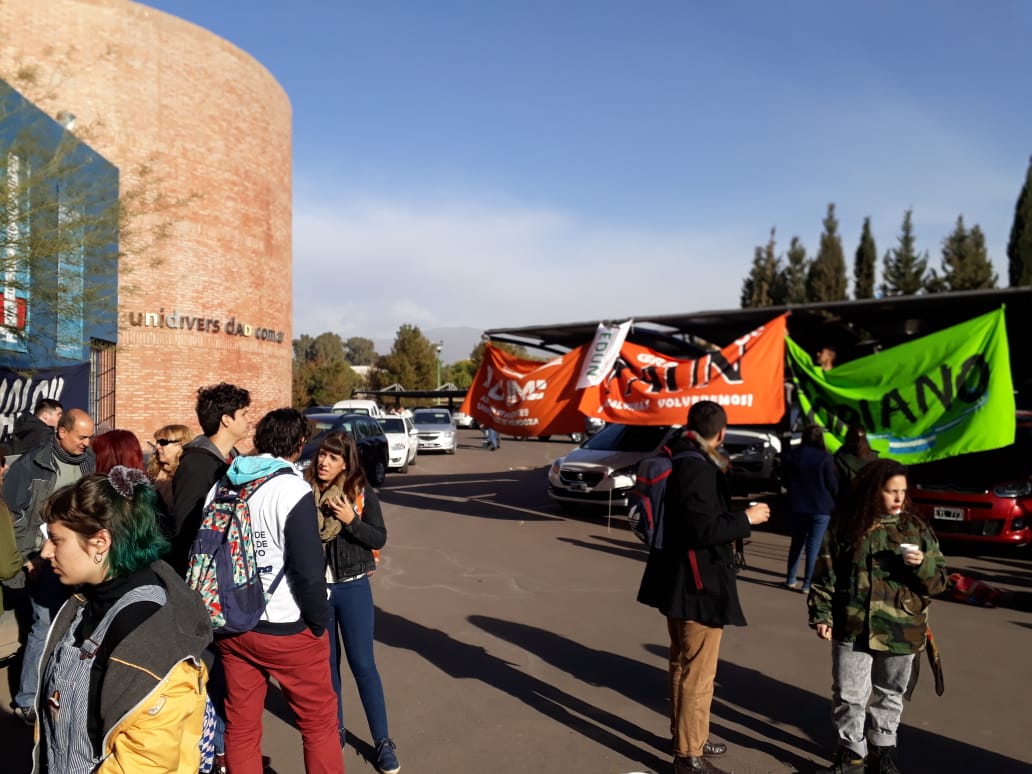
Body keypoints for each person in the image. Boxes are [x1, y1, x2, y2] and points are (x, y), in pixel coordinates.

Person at [32, 466, 211, 773]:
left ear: (100, 542)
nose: (46, 551)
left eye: (57, 540)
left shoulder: (146, 631)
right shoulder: (86, 602)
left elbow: (146, 762)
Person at [637, 400, 771, 774]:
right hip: (696, 583)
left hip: (678, 578)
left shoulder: (684, 458)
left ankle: (691, 738)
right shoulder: (695, 468)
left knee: (683, 664)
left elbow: (697, 519)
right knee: (698, 673)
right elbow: (702, 529)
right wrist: (747, 518)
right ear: (722, 433)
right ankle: (688, 754)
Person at [213, 408, 343, 774]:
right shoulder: (292, 488)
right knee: (318, 723)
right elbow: (309, 571)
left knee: (241, 726)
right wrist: (318, 623)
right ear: (300, 445)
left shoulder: (225, 482)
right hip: (285, 626)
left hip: (232, 623)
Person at [808, 458, 948, 774]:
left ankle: (882, 754)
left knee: (890, 695)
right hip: (852, 625)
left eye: (902, 491)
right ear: (873, 491)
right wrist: (822, 614)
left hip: (903, 628)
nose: (899, 498)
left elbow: (940, 580)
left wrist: (922, 564)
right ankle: (851, 756)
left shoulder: (915, 527)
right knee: (849, 695)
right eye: (890, 491)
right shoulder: (846, 525)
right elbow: (825, 572)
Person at [305, 431, 400, 774]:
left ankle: (383, 742)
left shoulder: (359, 492)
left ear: (346, 462)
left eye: (332, 457)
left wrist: (351, 522)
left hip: (353, 587)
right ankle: (336, 729)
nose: (323, 461)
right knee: (328, 668)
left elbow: (379, 537)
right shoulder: (305, 490)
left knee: (363, 666)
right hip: (319, 592)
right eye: (321, 455)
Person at [3, 407, 95, 724]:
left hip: (80, 561)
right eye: (82, 436)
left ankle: (61, 693)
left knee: (76, 630)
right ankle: (27, 699)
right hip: (45, 562)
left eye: (89, 437)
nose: (87, 442)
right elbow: (14, 517)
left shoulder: (88, 461)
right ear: (62, 431)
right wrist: (29, 557)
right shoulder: (32, 465)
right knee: (42, 629)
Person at [169, 383, 252, 575]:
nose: (249, 421)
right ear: (226, 420)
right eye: (244, 414)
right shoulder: (196, 465)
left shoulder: (234, 461)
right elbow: (186, 530)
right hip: (203, 577)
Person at [782, 425, 838, 592]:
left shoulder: (792, 456)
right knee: (814, 546)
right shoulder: (825, 458)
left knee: (796, 543)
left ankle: (790, 578)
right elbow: (832, 484)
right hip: (821, 507)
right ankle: (807, 583)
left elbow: (785, 481)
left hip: (797, 506)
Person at [145, 423, 192, 512]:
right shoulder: (159, 471)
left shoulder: (188, 475)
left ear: (181, 445)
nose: (157, 447)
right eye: (157, 442)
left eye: (163, 442)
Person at [832, 424, 878, 510]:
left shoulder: (873, 457)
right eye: (854, 439)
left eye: (859, 439)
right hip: (847, 504)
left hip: (869, 503)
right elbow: (835, 486)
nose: (857, 442)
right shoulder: (839, 459)